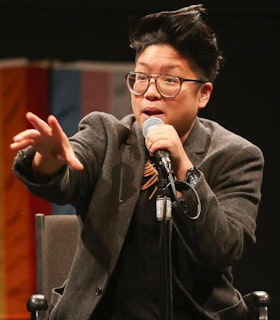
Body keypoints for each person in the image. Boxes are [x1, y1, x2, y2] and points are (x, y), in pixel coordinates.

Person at [10, 4, 264, 320]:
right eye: (141, 77)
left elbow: (221, 249)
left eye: (169, 80)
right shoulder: (105, 135)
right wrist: (47, 159)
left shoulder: (236, 156)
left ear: (203, 93)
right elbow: (65, 179)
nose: (149, 93)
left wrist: (184, 166)